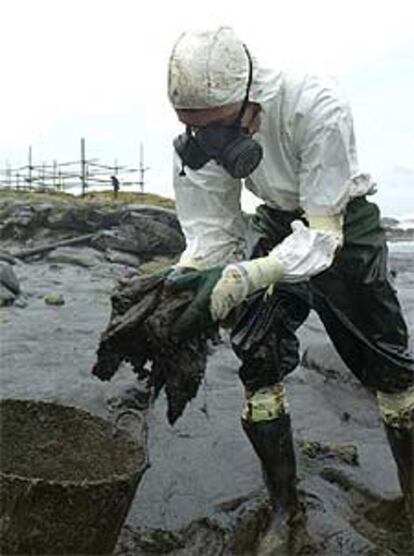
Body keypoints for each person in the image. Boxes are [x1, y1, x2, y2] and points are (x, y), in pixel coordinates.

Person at [166, 26, 414, 549]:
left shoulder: (315, 105)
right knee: (256, 350)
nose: (206, 144)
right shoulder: (199, 143)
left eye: (215, 130)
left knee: (389, 366)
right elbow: (212, 233)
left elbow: (324, 235)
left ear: (249, 103)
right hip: (276, 222)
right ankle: (284, 509)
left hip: (343, 223)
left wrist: (250, 275)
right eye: (192, 130)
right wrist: (199, 278)